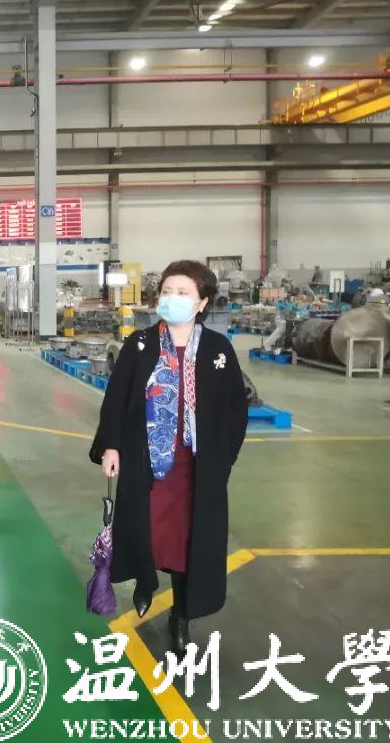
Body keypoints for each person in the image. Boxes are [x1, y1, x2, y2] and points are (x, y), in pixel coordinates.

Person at [90, 260, 247, 655]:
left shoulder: (218, 350)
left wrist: (221, 460)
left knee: (186, 539)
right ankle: (145, 584)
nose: (172, 298)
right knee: (146, 529)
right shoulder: (140, 345)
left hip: (195, 468)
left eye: (182, 293)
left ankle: (181, 613)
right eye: (166, 291)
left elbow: (235, 409)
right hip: (146, 461)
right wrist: (111, 446)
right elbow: (116, 399)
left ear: (202, 303)